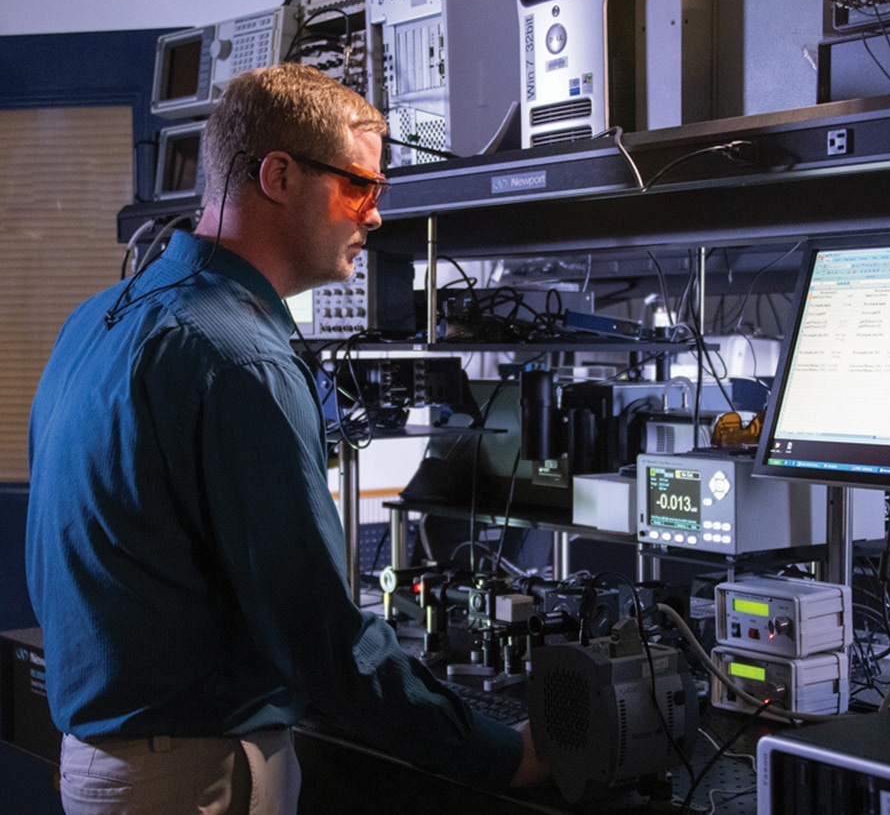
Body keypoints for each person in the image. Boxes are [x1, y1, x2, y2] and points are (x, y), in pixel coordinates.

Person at [25, 63, 548, 814]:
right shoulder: (240, 358)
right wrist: (502, 751)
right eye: (359, 186)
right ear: (278, 175)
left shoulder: (99, 319)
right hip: (196, 774)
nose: (374, 216)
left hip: (111, 761)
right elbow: (318, 635)